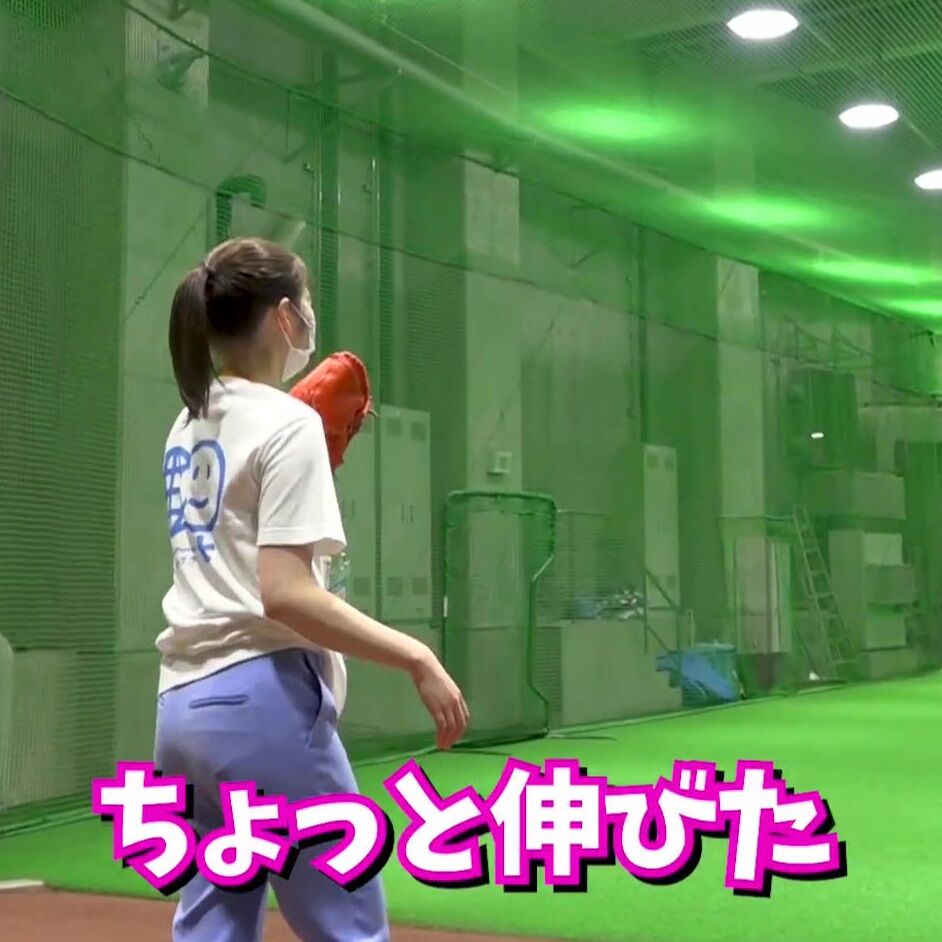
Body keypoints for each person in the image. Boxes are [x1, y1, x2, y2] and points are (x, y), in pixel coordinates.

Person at [154, 236, 469, 942]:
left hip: (179, 709)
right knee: (348, 926)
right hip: (259, 704)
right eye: (306, 301)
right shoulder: (287, 422)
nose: (310, 315)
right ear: (283, 316)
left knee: (212, 923)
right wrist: (417, 656)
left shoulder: (186, 421)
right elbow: (286, 595)